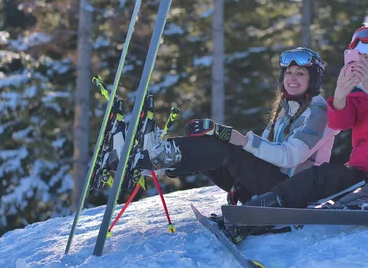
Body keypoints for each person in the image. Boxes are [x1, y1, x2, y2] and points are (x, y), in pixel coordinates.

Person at [245, 13, 368, 209]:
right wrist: (340, 95)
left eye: (367, 57)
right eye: (358, 57)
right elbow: (339, 124)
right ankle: (268, 202)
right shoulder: (358, 93)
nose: (360, 62)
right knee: (322, 173)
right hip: (359, 175)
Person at [138, 47, 336, 204]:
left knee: (227, 149)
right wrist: (243, 182)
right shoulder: (286, 109)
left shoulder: (319, 114)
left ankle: (161, 156)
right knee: (210, 142)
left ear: (313, 79)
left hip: (295, 191)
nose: (292, 78)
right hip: (274, 183)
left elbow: (289, 157)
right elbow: (265, 154)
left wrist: (238, 139)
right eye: (289, 72)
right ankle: (160, 163)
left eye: (300, 73)